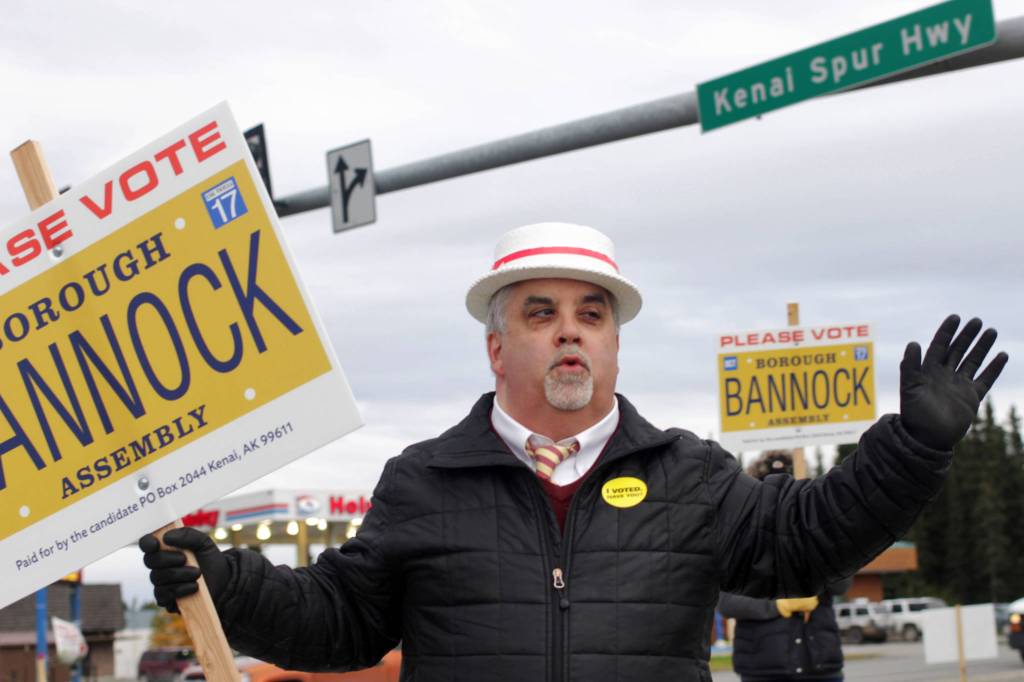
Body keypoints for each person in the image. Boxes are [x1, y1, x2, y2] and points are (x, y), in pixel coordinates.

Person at [141, 222, 1008, 682]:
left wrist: (912, 446)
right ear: (496, 348)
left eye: (592, 315)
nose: (570, 333)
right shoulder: (422, 482)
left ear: (615, 347)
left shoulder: (691, 476)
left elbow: (808, 539)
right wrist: (223, 584)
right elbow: (339, 621)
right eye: (540, 312)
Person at [718, 451, 850, 682]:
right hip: (765, 667)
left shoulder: (816, 521)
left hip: (820, 664)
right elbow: (727, 603)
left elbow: (842, 584)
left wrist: (823, 540)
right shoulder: (739, 533)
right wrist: (778, 605)